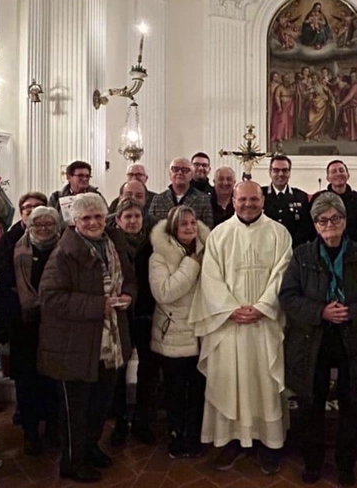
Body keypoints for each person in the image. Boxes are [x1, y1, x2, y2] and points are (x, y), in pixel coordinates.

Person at [280, 193, 357, 486]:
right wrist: (321, 312)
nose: (330, 224)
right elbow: (288, 297)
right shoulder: (302, 255)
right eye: (323, 219)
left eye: (336, 218)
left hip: (353, 339)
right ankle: (313, 463)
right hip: (312, 339)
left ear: (345, 221)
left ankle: (346, 464)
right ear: (315, 224)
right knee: (310, 404)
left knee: (352, 405)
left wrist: (352, 312)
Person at [189, 180, 293, 475]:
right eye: (242, 199)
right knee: (230, 382)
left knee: (264, 383)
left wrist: (262, 307)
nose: (248, 204)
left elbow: (283, 273)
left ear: (263, 200)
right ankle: (232, 441)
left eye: (254, 199)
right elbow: (209, 278)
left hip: (264, 325)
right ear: (232, 200)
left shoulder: (278, 233)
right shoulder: (220, 234)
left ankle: (270, 445)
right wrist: (230, 308)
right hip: (229, 325)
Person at [38, 193, 135, 483]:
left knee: (99, 405)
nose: (93, 223)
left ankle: (90, 448)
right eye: (86, 218)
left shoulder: (113, 243)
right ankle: (72, 461)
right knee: (75, 410)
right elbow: (50, 298)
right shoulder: (64, 252)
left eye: (98, 217)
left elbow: (129, 278)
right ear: (74, 221)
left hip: (110, 341)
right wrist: (97, 305)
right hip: (74, 344)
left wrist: (130, 295)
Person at [0, 206, 63, 455]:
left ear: (57, 226)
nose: (43, 229)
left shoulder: (64, 251)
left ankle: (54, 427)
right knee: (27, 382)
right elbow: (4, 288)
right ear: (28, 227)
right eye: (37, 224)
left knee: (54, 380)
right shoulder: (16, 251)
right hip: (24, 327)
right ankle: (31, 432)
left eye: (49, 224)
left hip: (57, 327)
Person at [149, 206, 211, 459]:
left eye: (193, 223)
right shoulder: (159, 256)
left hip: (201, 333)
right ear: (174, 228)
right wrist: (190, 264)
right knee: (176, 390)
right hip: (174, 332)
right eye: (183, 223)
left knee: (199, 388)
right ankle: (176, 434)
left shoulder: (209, 252)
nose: (189, 228)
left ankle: (195, 434)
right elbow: (164, 292)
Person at [107, 200, 156, 446]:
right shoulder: (110, 245)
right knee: (120, 368)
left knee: (148, 368)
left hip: (147, 313)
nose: (133, 220)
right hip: (121, 314)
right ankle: (119, 421)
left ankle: (142, 420)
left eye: (137, 216)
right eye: (127, 216)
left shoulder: (153, 244)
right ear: (118, 220)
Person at [148, 157, 215, 228]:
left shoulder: (203, 200)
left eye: (185, 170)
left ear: (191, 175)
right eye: (175, 169)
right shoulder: (158, 199)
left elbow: (207, 229)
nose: (179, 173)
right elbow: (150, 227)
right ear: (170, 174)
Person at [263, 154, 314, 245]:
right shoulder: (260, 194)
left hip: (293, 249)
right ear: (270, 172)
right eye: (276, 170)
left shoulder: (300, 197)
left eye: (285, 170)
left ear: (289, 173)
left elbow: (306, 227)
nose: (281, 174)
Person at [311, 159, 357, 243]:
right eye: (334, 171)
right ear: (328, 178)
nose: (338, 174)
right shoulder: (318, 198)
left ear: (348, 175)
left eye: (341, 170)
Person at [0, 192, 49, 273]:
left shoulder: (56, 237)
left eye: (38, 206)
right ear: (21, 213)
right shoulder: (9, 240)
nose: (33, 209)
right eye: (28, 206)